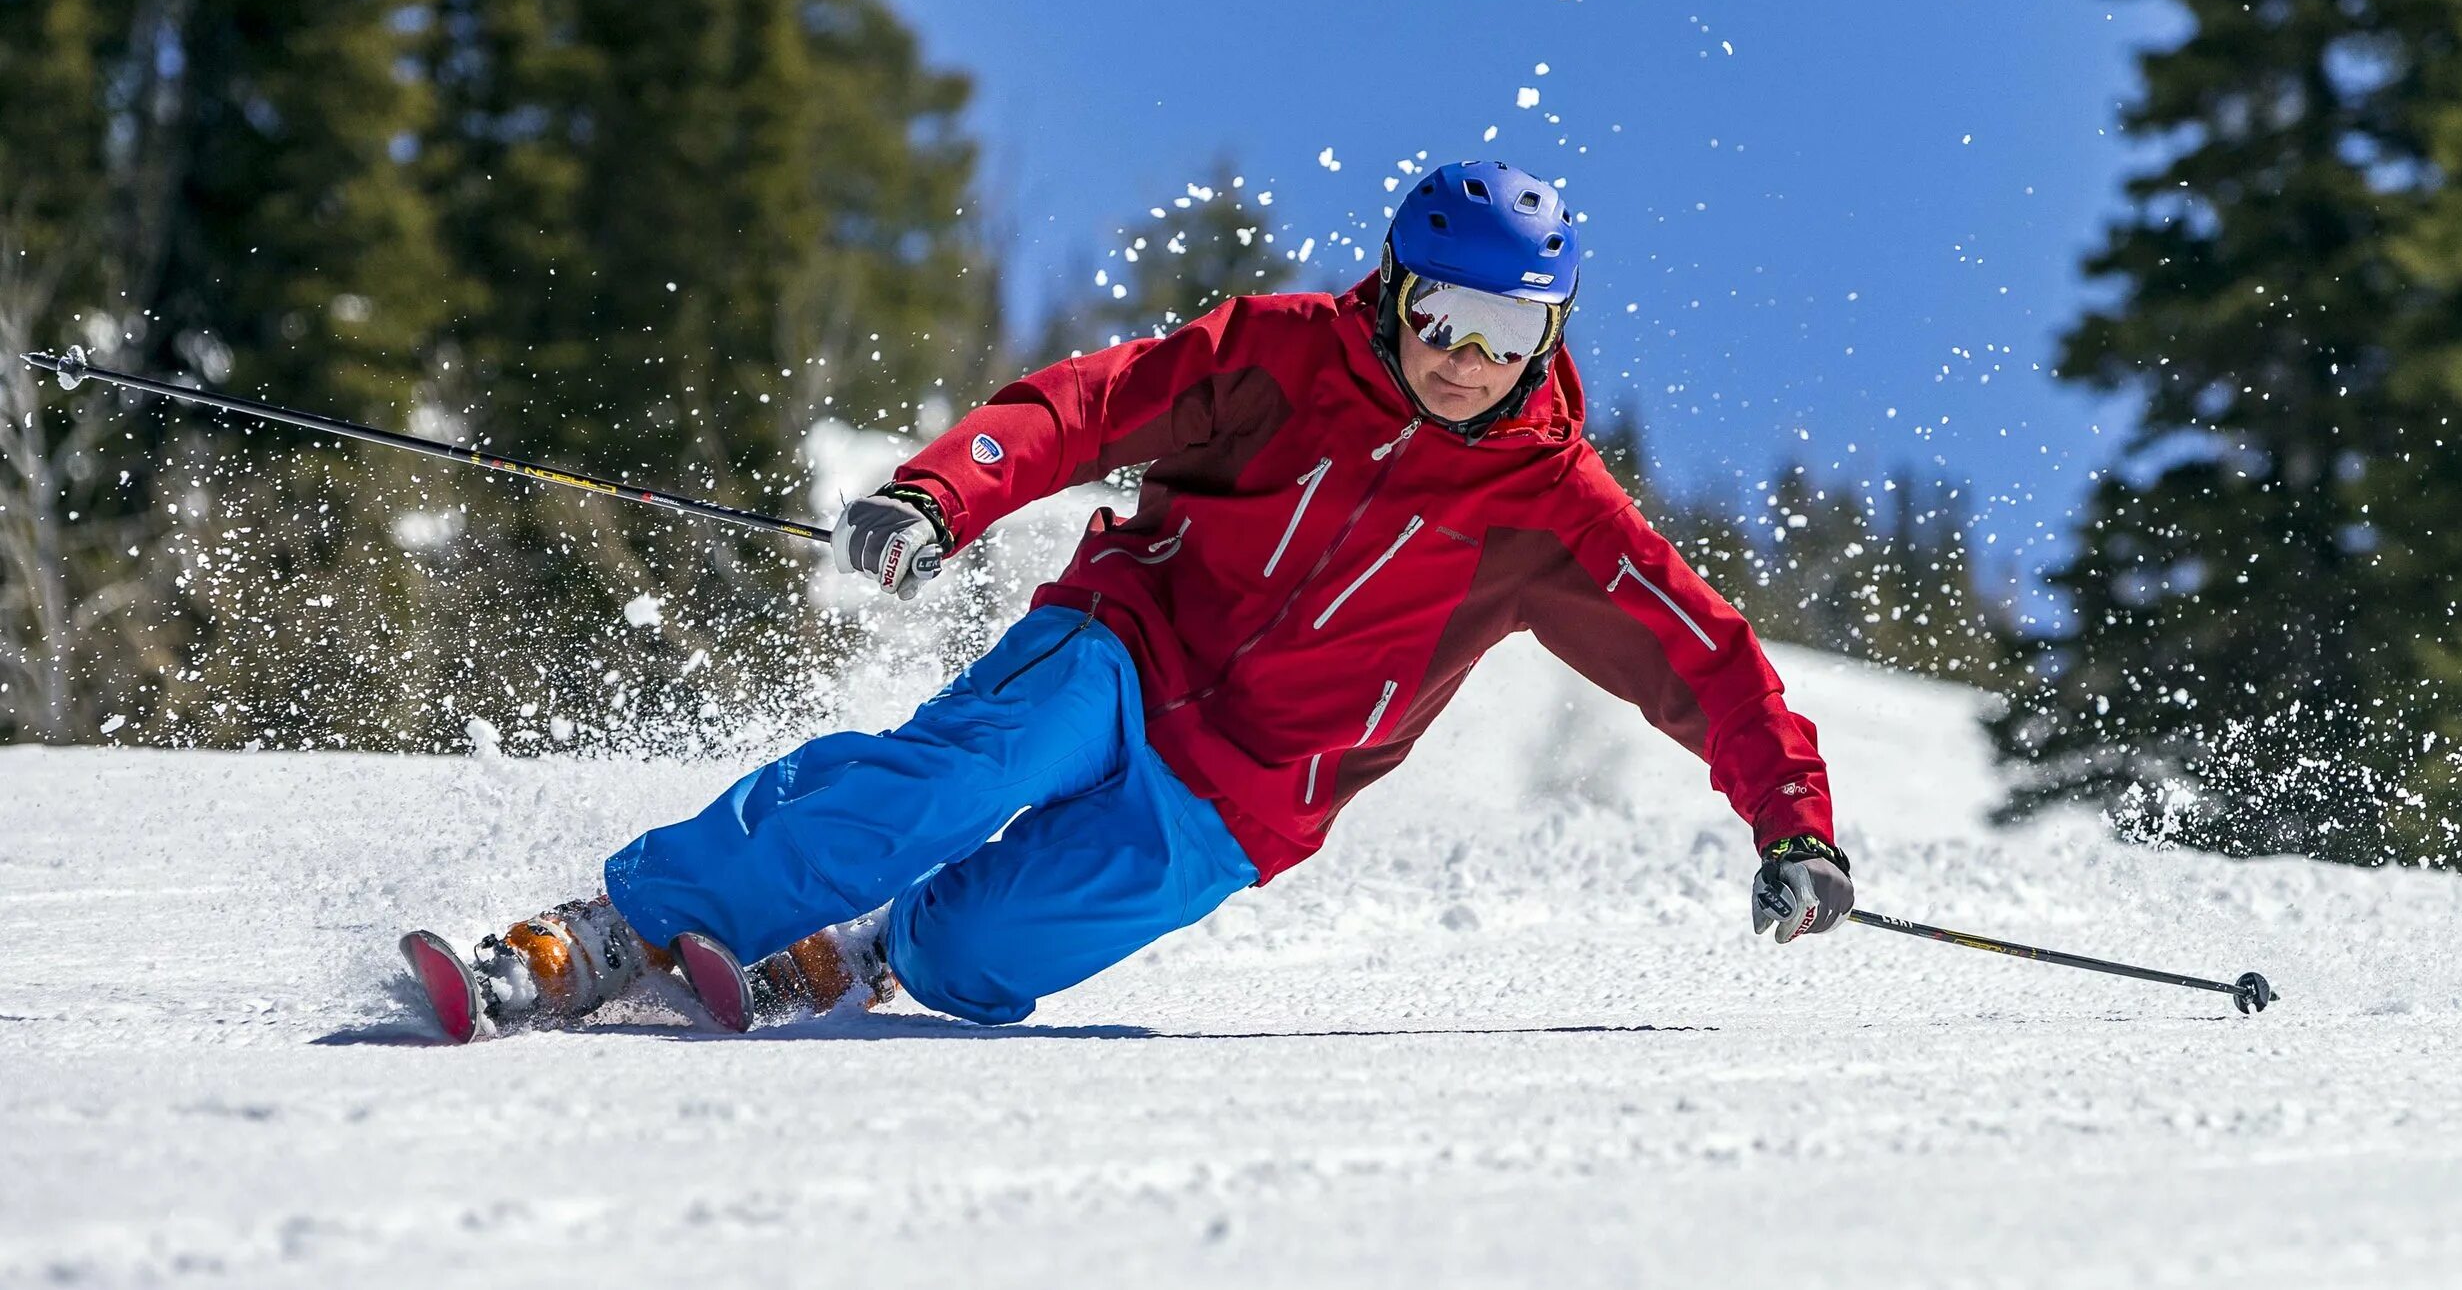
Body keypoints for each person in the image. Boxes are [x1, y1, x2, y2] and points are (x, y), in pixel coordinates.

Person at [403, 160, 1853, 1040]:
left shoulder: (1550, 510)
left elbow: (1707, 663)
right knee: (965, 775)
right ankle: (607, 932)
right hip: (1125, 641)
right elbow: (1091, 404)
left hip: (1250, 788)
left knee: (983, 952)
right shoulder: (1284, 358)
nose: (1463, 359)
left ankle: (862, 952)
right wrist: (941, 491)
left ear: (1550, 334)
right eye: (1440, 318)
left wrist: (1795, 823)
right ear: (1395, 290)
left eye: (1506, 330)